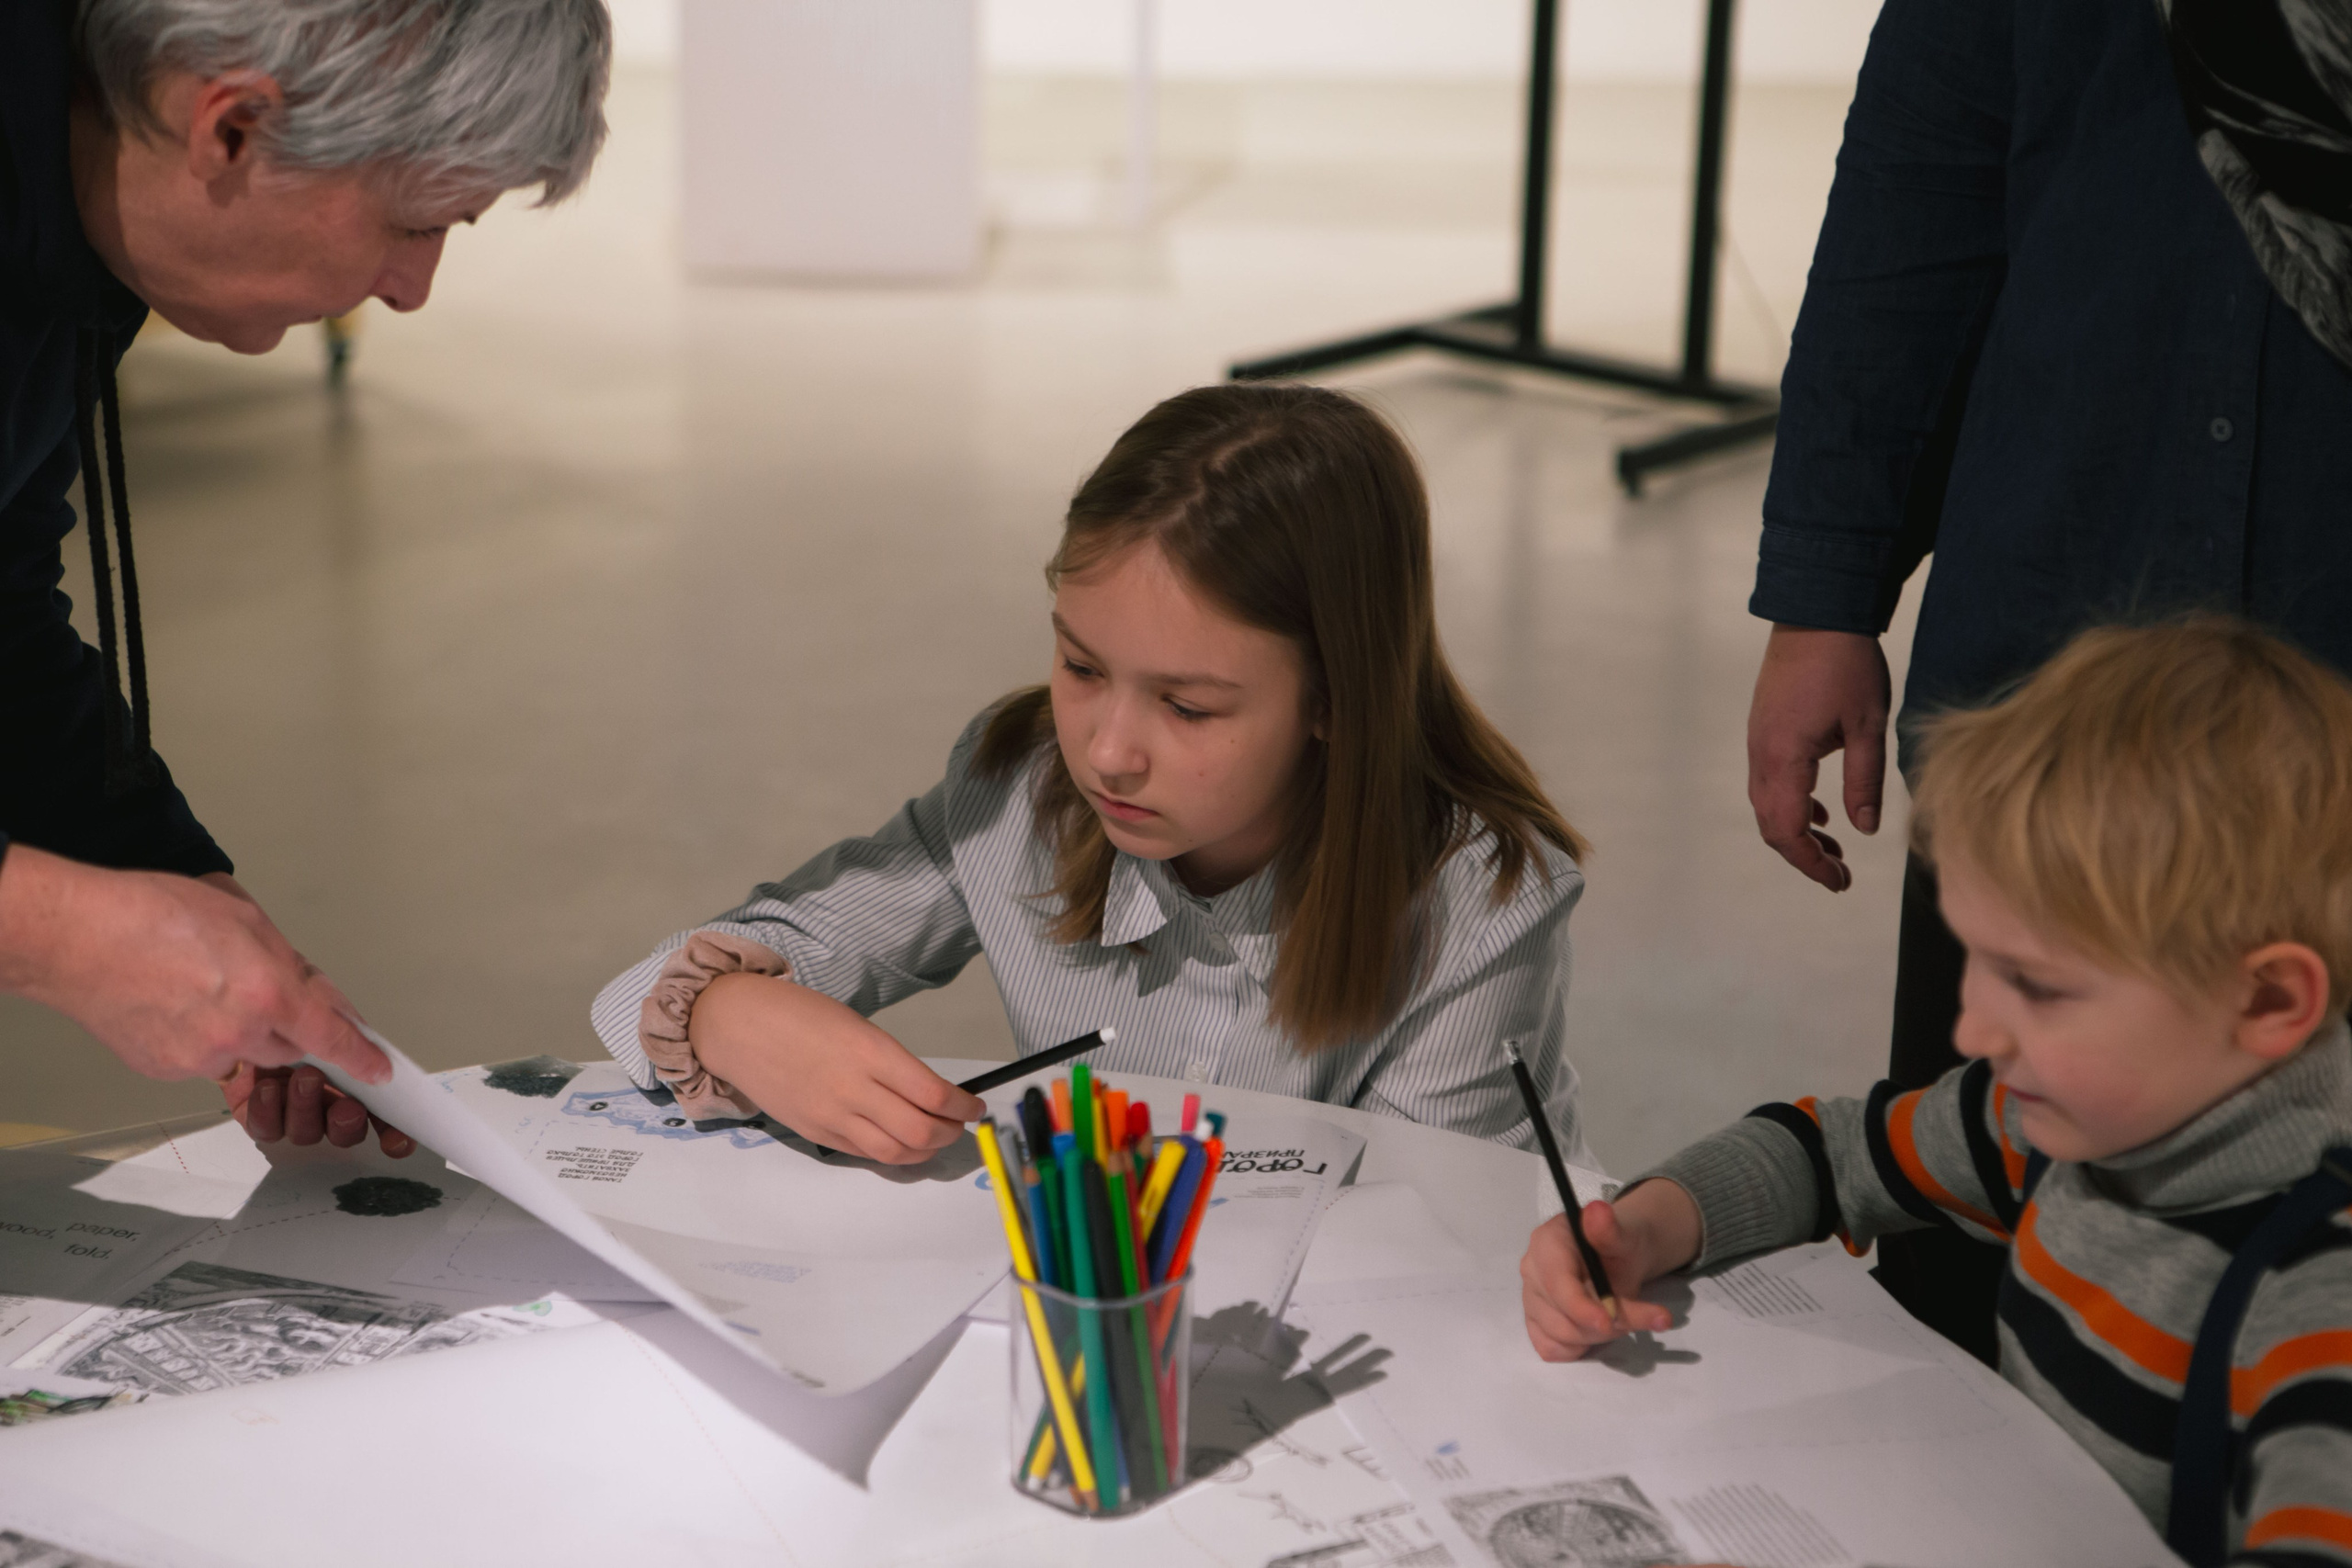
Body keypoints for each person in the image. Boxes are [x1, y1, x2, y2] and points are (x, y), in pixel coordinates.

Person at [1742, 0, 2352, 1359]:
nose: (1984, 1018)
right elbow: (1922, 179)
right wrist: (1826, 591)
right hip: (2058, 628)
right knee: (1974, 1265)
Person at [591, 383, 1591, 1166]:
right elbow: (636, 993)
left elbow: (1429, 1252)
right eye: (1079, 666)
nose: (1107, 753)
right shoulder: (1017, 788)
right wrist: (725, 1012)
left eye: (1186, 707)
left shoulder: (1481, 907)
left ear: (1337, 696)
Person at [1528, 618, 2352, 1564]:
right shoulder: (2047, 1127)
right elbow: (1830, 1153)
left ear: (2267, 1000)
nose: (1972, 1032)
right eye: (1979, 964)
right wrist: (1643, 1228)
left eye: (2038, 986)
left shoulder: (2319, 1299)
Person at [0, 0, 610, 1151]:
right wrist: (57, 935)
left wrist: (185, 896)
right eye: (412, 223)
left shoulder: (93, 208)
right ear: (229, 130)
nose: (413, 288)